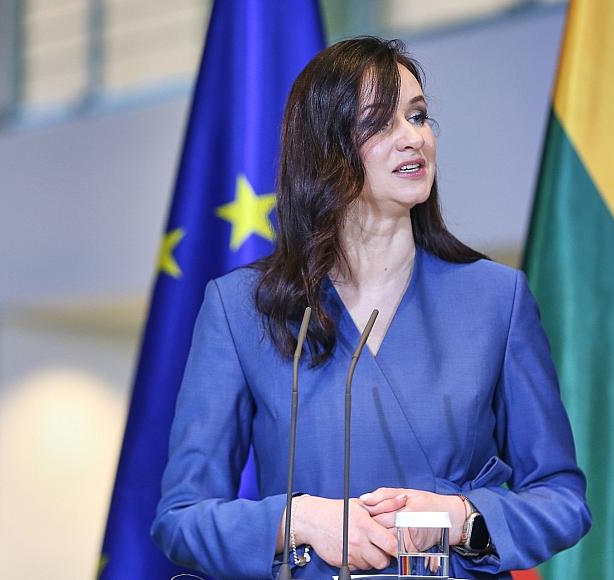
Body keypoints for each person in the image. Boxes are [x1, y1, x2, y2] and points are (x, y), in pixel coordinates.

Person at [151, 36, 591, 579]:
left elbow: (561, 498)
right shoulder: (243, 308)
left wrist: (460, 519)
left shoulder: (497, 298)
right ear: (325, 148)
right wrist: (299, 521)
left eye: (418, 116)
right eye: (381, 123)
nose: (414, 138)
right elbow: (181, 518)